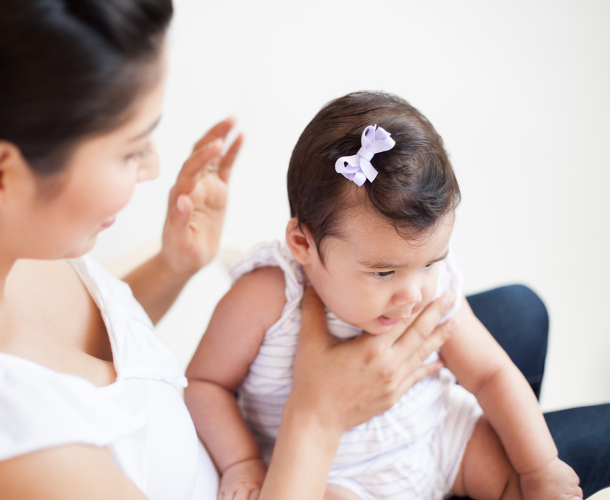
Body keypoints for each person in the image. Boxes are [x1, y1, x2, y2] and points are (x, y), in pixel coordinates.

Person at [0, 1, 607, 499]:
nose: (155, 167)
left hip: (292, 437)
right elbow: (162, 392)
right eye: (131, 148)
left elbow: (81, 372)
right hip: (299, 468)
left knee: (516, 322)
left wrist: (173, 265)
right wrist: (317, 419)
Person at [184, 92, 583, 500]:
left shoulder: (433, 290)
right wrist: (242, 462)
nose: (412, 295)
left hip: (441, 440)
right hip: (338, 478)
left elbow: (490, 374)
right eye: (382, 272)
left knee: (519, 481)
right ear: (303, 245)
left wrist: (540, 468)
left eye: (430, 263)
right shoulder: (266, 296)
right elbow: (203, 383)